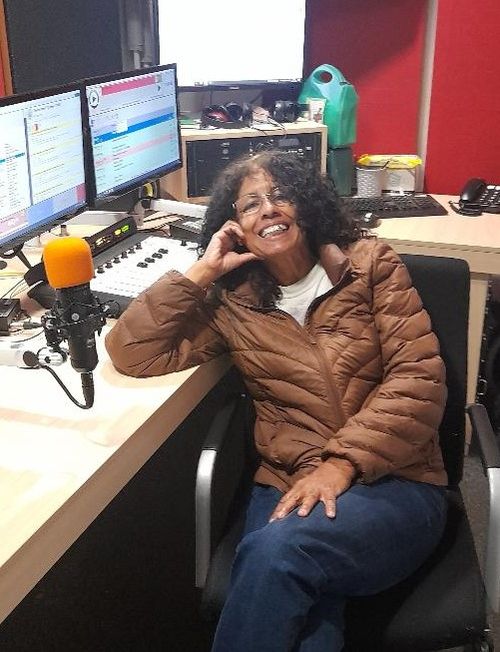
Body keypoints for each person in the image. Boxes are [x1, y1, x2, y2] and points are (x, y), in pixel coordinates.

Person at [105, 151, 448, 652]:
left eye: (281, 195)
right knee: (305, 620)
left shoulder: (370, 264)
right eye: (250, 205)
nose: (268, 209)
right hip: (291, 481)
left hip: (398, 480)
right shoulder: (233, 304)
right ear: (234, 228)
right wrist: (202, 272)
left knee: (280, 554)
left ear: (305, 205)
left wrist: (342, 463)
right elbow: (133, 352)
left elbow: (418, 377)